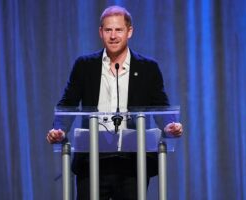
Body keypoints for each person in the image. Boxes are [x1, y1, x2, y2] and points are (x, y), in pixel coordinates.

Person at [46, 5, 183, 200]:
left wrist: (170, 125)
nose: (113, 35)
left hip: (132, 162)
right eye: (108, 30)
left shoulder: (148, 68)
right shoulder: (85, 66)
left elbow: (160, 104)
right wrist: (59, 129)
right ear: (100, 32)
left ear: (130, 31)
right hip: (92, 159)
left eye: (118, 29)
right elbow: (67, 103)